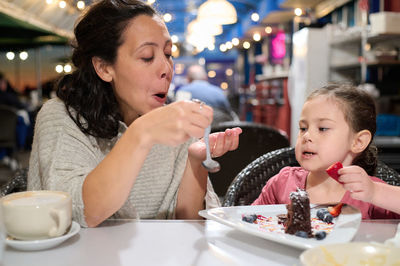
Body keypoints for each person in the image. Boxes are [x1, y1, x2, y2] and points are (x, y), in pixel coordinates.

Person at [27, 0, 242, 228]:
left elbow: (187, 225)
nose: (166, 69)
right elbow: (75, 212)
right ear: (104, 67)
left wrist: (195, 162)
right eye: (147, 57)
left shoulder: (171, 121)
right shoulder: (62, 117)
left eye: (168, 54)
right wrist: (141, 134)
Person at [252, 84, 400, 219]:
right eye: (303, 128)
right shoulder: (283, 182)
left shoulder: (368, 191)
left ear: (358, 141)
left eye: (323, 128)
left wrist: (376, 192)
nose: (307, 136)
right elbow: (248, 221)